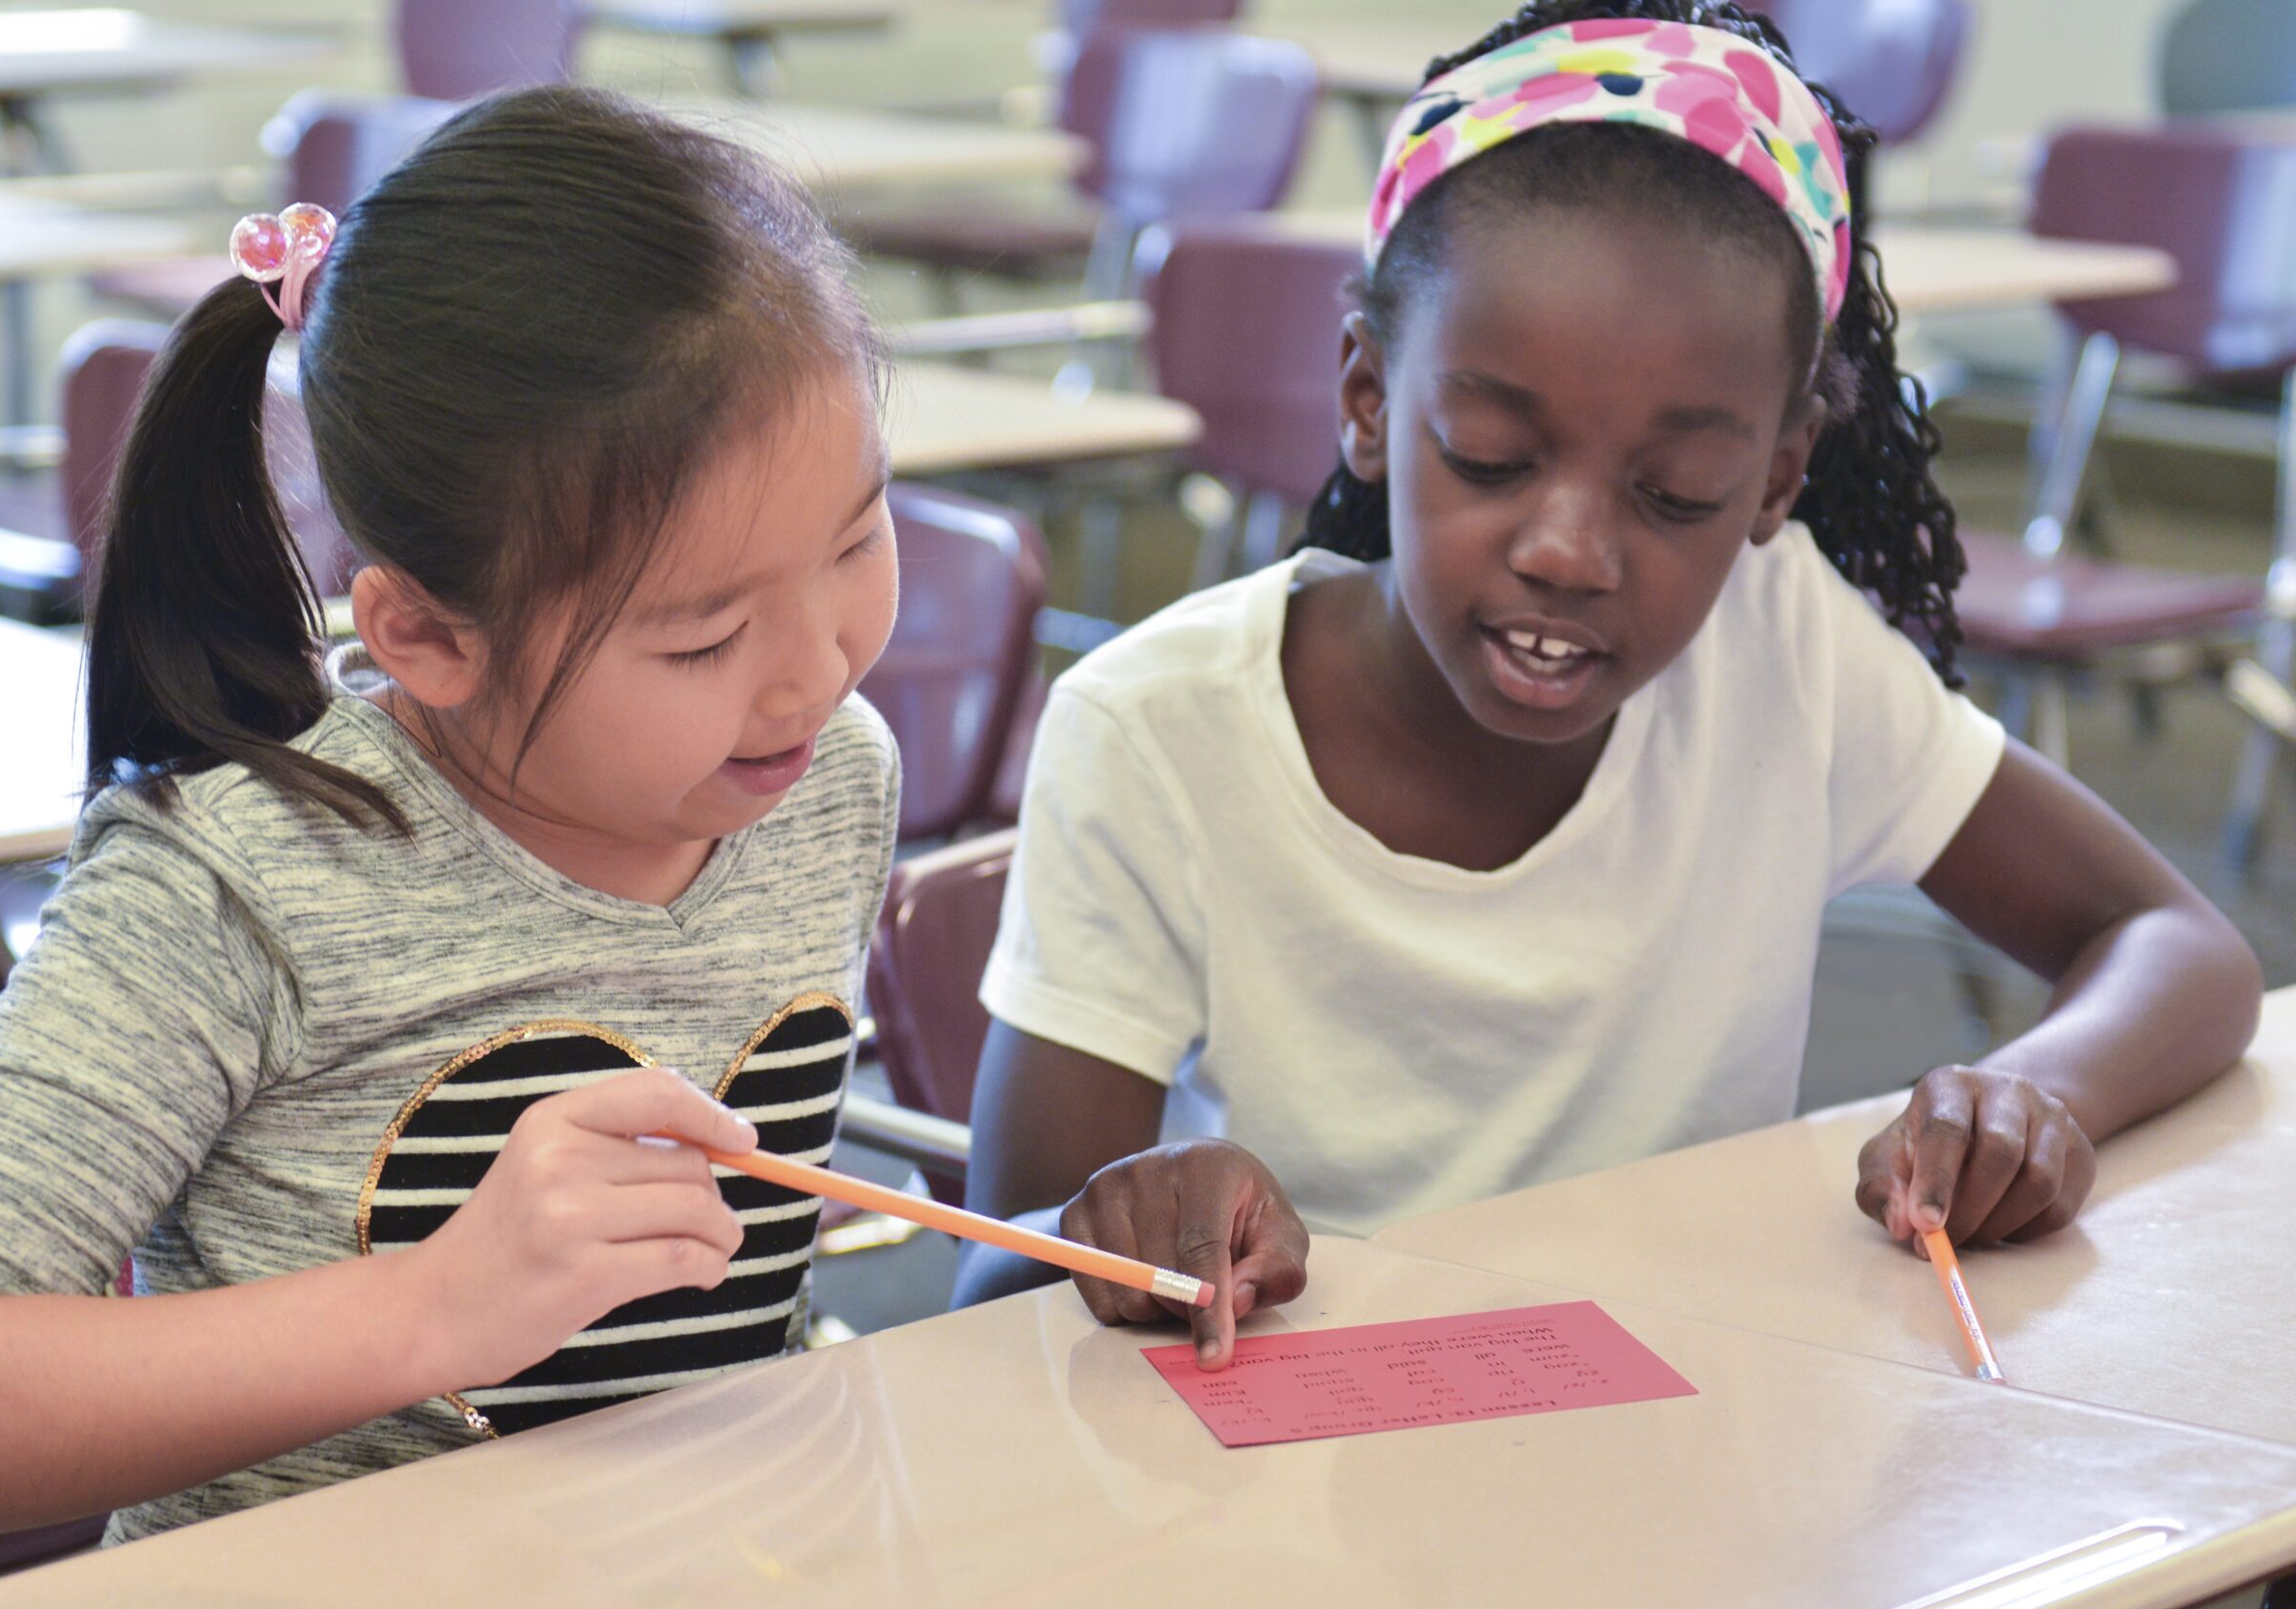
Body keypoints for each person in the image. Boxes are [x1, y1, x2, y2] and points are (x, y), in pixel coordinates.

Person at [957, 0, 2262, 1371]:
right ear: (1365, 400)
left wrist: (2029, 1094)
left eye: (1674, 493)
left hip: (1697, 1449)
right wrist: (1124, 1232)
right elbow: (999, 1297)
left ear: (1773, 481)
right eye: (1489, 454)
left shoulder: (1784, 655)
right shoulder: (1155, 730)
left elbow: (2179, 948)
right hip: (1288, 1500)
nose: (1570, 551)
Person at [0, 86, 901, 1548]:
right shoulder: (236, 885)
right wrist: (435, 1308)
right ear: (428, 639)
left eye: (856, 543)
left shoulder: (829, 780)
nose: (816, 670)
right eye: (702, 640)